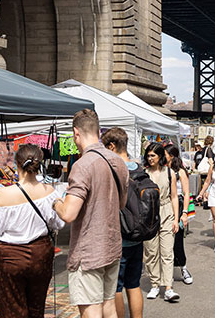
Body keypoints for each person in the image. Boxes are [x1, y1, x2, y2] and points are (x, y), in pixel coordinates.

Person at [52, 109, 130, 318]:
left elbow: (68, 213)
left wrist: (56, 203)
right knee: (108, 306)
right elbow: (121, 204)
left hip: (89, 252)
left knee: (91, 310)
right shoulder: (119, 163)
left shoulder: (82, 165)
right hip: (112, 245)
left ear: (76, 133)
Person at [0, 144, 64, 317]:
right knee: (36, 308)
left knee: (12, 310)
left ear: (17, 164)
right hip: (40, 255)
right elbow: (58, 223)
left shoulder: (4, 194)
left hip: (10, 257)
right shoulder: (49, 192)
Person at [101, 128, 143, 318]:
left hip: (119, 236)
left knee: (115, 288)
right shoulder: (139, 169)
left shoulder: (115, 170)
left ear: (111, 146)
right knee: (133, 284)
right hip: (138, 235)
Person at [142, 142, 180, 302]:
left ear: (160, 157)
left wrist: (176, 219)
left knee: (167, 251)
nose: (150, 158)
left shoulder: (169, 172)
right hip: (148, 214)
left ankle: (168, 287)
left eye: (153, 155)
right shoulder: (143, 173)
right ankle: (154, 284)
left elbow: (173, 196)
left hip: (166, 211)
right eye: (148, 155)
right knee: (151, 252)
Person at [165, 143, 194, 286]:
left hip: (179, 206)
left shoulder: (180, 171)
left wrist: (185, 213)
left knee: (177, 241)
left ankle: (183, 267)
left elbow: (187, 192)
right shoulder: (161, 170)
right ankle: (165, 273)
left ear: (171, 156)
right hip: (164, 206)